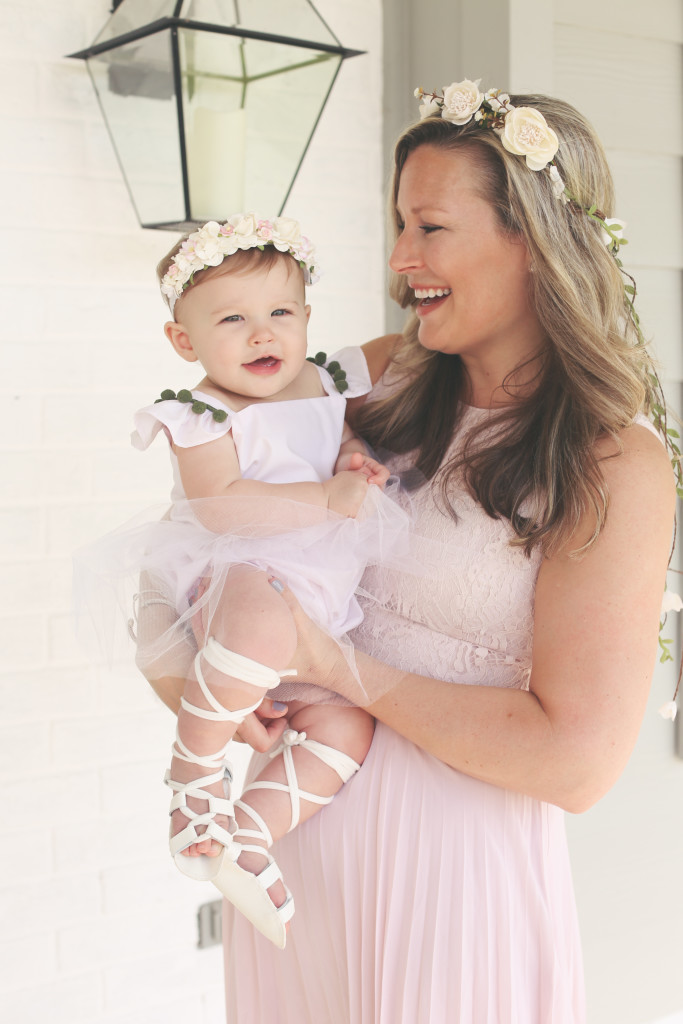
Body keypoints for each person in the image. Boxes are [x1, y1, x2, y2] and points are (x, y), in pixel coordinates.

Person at [204, 83, 675, 1021]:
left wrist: (328, 662)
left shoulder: (612, 460)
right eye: (397, 224)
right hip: (299, 836)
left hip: (454, 868)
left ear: (531, 242)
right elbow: (209, 491)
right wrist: (210, 684)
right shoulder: (376, 380)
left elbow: (576, 763)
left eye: (428, 227)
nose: (399, 259)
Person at [76, 213, 421, 950]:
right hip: (234, 569)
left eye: (279, 314)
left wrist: (352, 458)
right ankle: (194, 780)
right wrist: (325, 500)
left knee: (347, 724)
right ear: (184, 340)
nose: (262, 334)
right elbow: (219, 502)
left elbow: (334, 435)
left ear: (305, 319)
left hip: (317, 589)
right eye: (232, 319)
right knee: (260, 627)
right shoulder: (199, 412)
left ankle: (249, 833)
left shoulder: (326, 379)